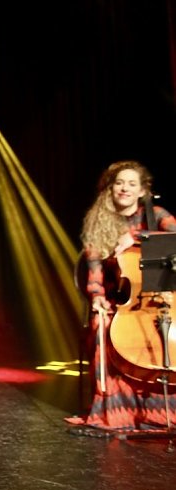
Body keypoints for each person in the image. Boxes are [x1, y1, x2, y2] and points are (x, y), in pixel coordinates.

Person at [68, 160, 176, 431]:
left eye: (131, 184)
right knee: (100, 325)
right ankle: (114, 409)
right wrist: (96, 297)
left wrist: (140, 236)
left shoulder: (157, 214)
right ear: (111, 188)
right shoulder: (99, 220)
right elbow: (93, 267)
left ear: (142, 191)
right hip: (122, 301)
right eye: (119, 183)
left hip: (160, 298)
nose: (124, 188)